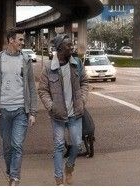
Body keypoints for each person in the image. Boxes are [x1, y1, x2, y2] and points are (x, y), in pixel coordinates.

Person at [0, 28, 39, 186]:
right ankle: (10, 170)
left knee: (17, 145)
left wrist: (32, 112)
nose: (22, 42)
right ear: (11, 40)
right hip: (3, 110)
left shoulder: (25, 60)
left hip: (20, 110)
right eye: (19, 39)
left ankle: (14, 178)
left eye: (22, 39)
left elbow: (31, 86)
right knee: (7, 147)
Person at [39, 35, 87, 185]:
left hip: (75, 113)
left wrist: (83, 100)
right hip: (58, 115)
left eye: (71, 44)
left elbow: (84, 82)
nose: (71, 47)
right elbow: (42, 90)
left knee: (77, 144)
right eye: (68, 45)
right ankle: (58, 179)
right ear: (59, 48)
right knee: (59, 146)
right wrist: (51, 106)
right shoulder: (48, 68)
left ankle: (69, 167)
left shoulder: (77, 64)